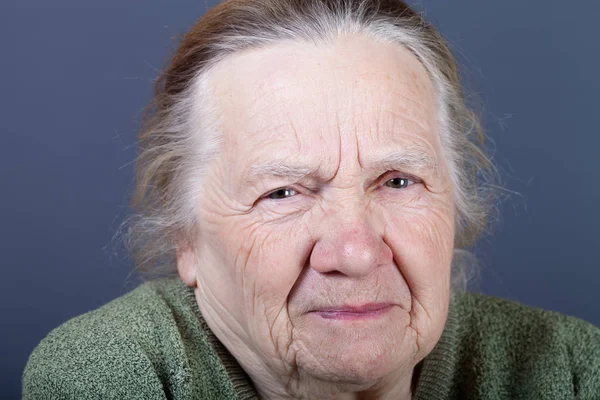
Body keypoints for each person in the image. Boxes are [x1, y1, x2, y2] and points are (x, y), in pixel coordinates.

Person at [22, 0, 600, 399]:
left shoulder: (573, 368)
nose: (355, 252)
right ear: (187, 239)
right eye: (283, 192)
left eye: (398, 181)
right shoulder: (115, 373)